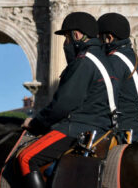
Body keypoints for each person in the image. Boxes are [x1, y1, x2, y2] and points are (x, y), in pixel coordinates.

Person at [18, 12, 117, 188]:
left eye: (66, 37)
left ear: (76, 35)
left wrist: (36, 123)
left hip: (79, 128)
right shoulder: (104, 60)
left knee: (25, 158)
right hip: (102, 127)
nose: (65, 43)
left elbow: (62, 105)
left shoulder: (84, 61)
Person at [98, 13, 138, 141]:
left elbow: (103, 98)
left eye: (98, 38)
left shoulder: (114, 61)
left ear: (108, 38)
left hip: (125, 130)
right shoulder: (132, 58)